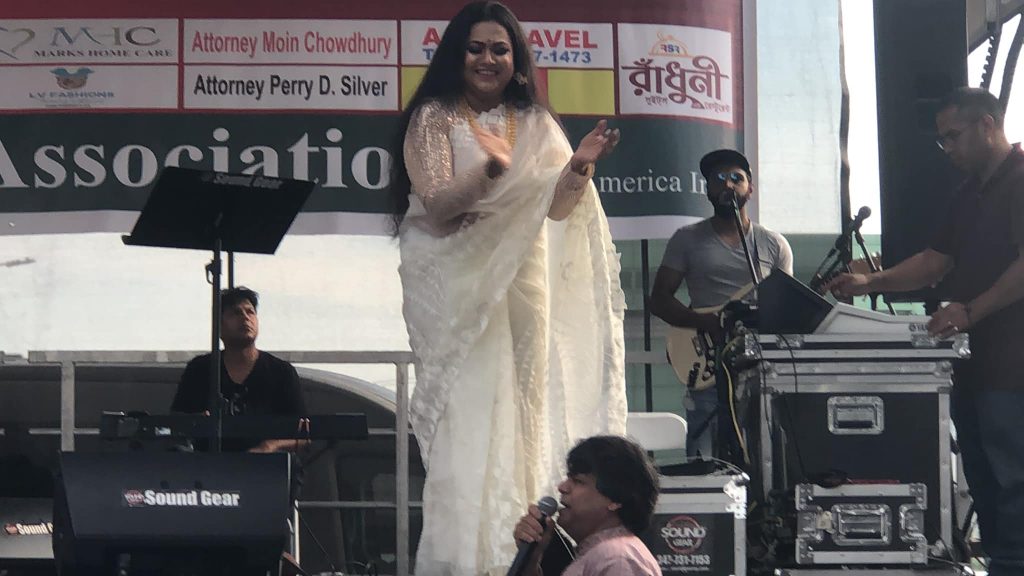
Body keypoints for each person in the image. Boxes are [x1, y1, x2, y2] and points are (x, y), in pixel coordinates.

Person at [386, 2, 628, 574]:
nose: (487, 59)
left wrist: (580, 166)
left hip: (524, 285)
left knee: (526, 420)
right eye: (476, 48)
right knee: (468, 425)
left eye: (500, 49)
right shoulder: (433, 117)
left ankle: (522, 558)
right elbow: (438, 208)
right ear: (457, 54)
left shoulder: (535, 122)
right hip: (460, 293)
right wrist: (491, 169)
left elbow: (558, 211)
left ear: (516, 60)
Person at [829, 87, 1024, 575]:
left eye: (952, 136)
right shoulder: (969, 194)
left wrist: (971, 310)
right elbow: (935, 262)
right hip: (974, 368)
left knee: (1016, 480)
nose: (947, 149)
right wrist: (871, 282)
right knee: (985, 481)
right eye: (942, 140)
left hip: (1014, 368)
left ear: (987, 125)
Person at [649, 149, 792, 458]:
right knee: (705, 456)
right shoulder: (686, 239)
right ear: (707, 190)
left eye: (736, 178)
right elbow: (659, 300)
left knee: (765, 453)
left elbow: (787, 307)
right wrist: (705, 322)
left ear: (750, 189)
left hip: (760, 367)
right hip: (708, 361)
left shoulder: (774, 244)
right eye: (719, 178)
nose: (727, 184)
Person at [170, 286, 307, 455]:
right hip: (208, 466)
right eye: (235, 313)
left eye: (250, 312)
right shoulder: (199, 369)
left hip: (269, 468)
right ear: (219, 327)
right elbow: (175, 425)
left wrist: (269, 446)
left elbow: (304, 435)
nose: (245, 317)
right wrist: (197, 422)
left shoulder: (281, 372)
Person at [512, 436, 661, 576]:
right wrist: (532, 558)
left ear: (615, 500)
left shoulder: (617, 558)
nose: (562, 487)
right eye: (568, 478)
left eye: (578, 481)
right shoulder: (602, 554)